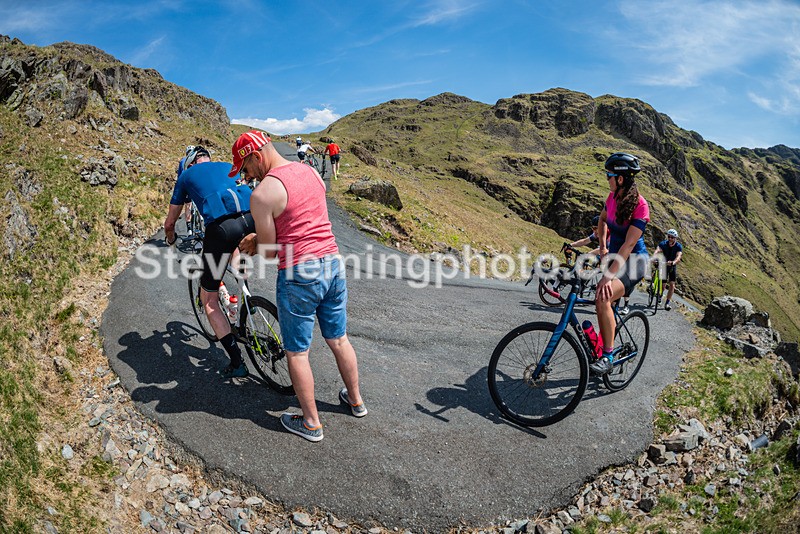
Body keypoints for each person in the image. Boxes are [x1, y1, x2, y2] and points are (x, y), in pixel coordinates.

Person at [230, 130, 366, 442]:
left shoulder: (263, 194)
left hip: (299, 272)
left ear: (256, 156)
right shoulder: (310, 172)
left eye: (246, 169)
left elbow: (268, 250)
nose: (247, 176)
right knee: (339, 340)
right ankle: (356, 401)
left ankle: (311, 423)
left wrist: (252, 240)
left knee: (297, 353)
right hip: (332, 263)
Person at [163, 146, 256, 379]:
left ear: (190, 163)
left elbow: (170, 223)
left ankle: (237, 364)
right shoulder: (227, 166)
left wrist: (171, 239)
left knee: (209, 300)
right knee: (236, 251)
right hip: (252, 219)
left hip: (222, 228)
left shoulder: (186, 175)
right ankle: (247, 301)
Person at [591, 153, 650, 375]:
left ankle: (606, 356)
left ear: (621, 179)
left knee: (603, 296)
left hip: (635, 261)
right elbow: (603, 220)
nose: (607, 178)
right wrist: (604, 247)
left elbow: (629, 245)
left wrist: (607, 277)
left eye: (609, 175)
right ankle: (608, 341)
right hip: (615, 256)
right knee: (604, 301)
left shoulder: (641, 206)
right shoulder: (611, 197)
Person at [654, 228, 683, 310]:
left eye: (672, 237)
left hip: (672, 266)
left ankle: (667, 303)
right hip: (664, 265)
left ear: (675, 238)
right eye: (669, 237)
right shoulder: (663, 244)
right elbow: (657, 250)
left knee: (672, 285)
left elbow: (678, 257)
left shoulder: (678, 246)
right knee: (663, 285)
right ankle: (659, 295)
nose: (670, 239)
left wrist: (673, 262)